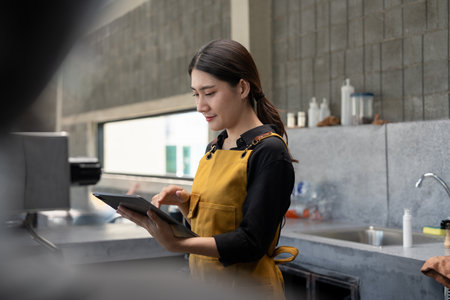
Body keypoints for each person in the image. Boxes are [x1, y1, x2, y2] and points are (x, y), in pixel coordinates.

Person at [117, 39, 298, 299]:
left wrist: (176, 243)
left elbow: (251, 243)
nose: (200, 106)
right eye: (196, 94)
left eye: (209, 93)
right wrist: (184, 204)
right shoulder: (214, 147)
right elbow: (210, 226)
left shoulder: (269, 151)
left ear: (242, 87)